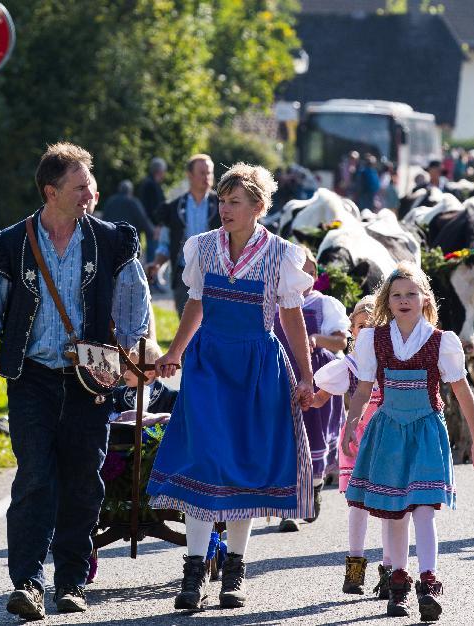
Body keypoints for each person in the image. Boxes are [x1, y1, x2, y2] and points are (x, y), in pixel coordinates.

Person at [0, 142, 150, 619]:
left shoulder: (111, 242)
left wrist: (138, 361)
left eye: (90, 183)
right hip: (31, 379)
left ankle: (71, 583)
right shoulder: (12, 243)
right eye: (80, 185)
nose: (90, 192)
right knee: (34, 479)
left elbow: (134, 311)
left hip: (91, 382)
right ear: (51, 192)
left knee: (83, 481)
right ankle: (27, 582)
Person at [146, 162, 315, 613]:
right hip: (209, 365)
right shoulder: (201, 248)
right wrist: (173, 353)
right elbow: (194, 305)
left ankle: (234, 571)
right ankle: (194, 570)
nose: (224, 208)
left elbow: (292, 318)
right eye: (221, 201)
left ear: (259, 206)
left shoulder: (282, 255)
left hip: (258, 367)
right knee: (206, 462)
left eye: (234, 201)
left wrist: (306, 374)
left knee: (243, 466)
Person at [343, 262, 474, 621]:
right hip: (388, 432)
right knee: (395, 515)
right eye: (396, 295)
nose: (404, 300)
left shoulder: (441, 341)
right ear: (386, 302)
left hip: (425, 431)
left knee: (424, 509)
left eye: (411, 293)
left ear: (425, 299)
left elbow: (461, 391)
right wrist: (350, 423)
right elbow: (362, 388)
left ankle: (428, 580)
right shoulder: (373, 339)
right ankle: (399, 582)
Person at [311, 295, 392, 598]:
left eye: (373, 325)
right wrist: (305, 397)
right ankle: (355, 568)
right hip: (356, 442)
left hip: (388, 442)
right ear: (352, 332)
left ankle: (389, 570)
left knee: (388, 506)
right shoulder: (351, 366)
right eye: (359, 326)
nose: (365, 331)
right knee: (357, 506)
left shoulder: (392, 363)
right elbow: (321, 395)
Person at [87, 338, 178, 584]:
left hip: (154, 466)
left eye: (127, 367)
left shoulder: (169, 397)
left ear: (148, 372)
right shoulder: (116, 396)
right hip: (120, 470)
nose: (122, 372)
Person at [274, 246, 350, 532]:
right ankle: (289, 508)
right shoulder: (275, 302)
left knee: (313, 437)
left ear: (313, 275)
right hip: (283, 378)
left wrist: (316, 339)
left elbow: (341, 342)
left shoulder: (323, 304)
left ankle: (315, 486)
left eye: (302, 271)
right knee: (287, 439)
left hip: (317, 377)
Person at [150, 154, 220, 317]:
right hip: (183, 276)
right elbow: (165, 244)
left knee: (212, 326)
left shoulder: (222, 205)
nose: (207, 177)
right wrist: (157, 264)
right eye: (202, 172)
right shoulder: (174, 208)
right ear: (190, 175)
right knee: (185, 329)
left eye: (209, 173)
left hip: (215, 276)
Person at [137, 157, 168, 264]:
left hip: (151, 226)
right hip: (154, 228)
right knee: (153, 258)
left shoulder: (148, 183)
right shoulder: (151, 185)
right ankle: (152, 280)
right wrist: (158, 225)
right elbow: (153, 209)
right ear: (159, 171)